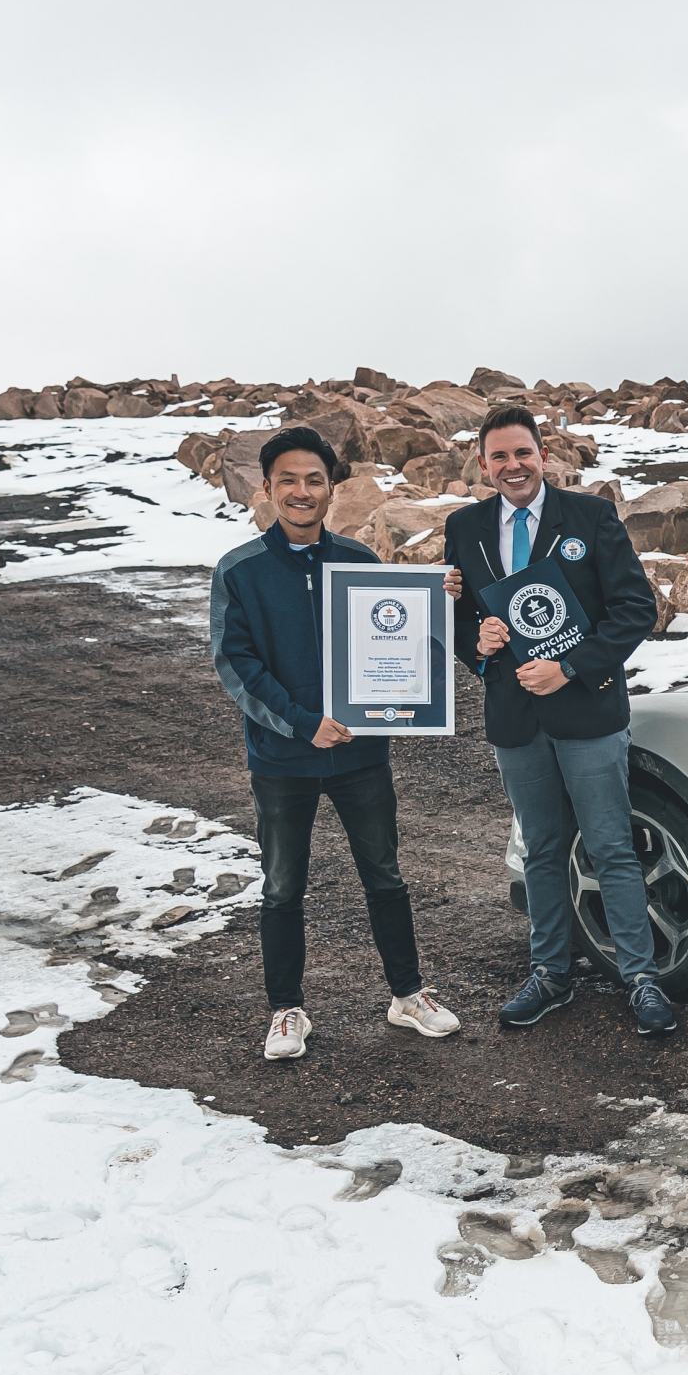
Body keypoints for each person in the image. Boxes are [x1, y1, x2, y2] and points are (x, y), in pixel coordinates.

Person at [210, 424, 461, 1060]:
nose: (302, 491)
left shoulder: (359, 562)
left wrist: (434, 600)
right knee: (283, 885)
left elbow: (404, 646)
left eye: (314, 480)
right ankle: (286, 1010)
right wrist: (301, 721)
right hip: (282, 759)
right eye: (288, 480)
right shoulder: (239, 571)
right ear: (266, 489)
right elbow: (235, 665)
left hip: (360, 757)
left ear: (331, 488)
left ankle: (408, 995)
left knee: (385, 875)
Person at [444, 406, 671, 1034]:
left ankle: (641, 977)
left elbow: (633, 609)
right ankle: (550, 974)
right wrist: (479, 642)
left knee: (610, 847)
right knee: (541, 850)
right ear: (484, 466)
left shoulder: (591, 517)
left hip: (586, 709)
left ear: (543, 455)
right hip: (517, 718)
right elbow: (460, 618)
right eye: (499, 457)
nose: (513, 466)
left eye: (523, 453)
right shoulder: (464, 527)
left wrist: (569, 668)